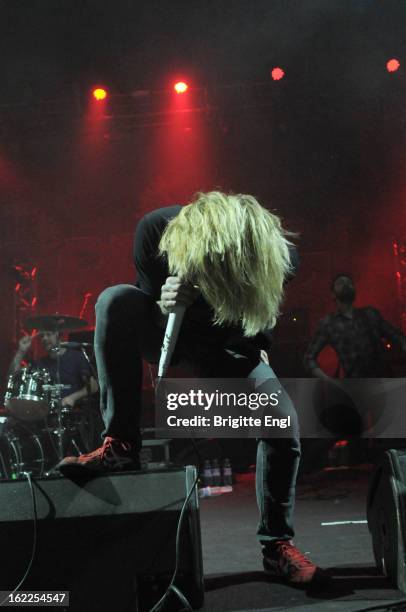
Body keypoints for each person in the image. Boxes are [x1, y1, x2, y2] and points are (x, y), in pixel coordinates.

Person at [58, 191, 325, 584]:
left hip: (227, 341)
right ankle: (121, 443)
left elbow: (264, 307)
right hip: (169, 333)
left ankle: (276, 545)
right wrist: (163, 304)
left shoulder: (276, 252)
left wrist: (259, 348)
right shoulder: (156, 231)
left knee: (282, 423)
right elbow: (144, 313)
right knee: (114, 300)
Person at [304, 273, 406, 379]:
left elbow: (398, 337)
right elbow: (309, 358)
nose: (346, 284)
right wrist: (328, 381)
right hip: (357, 387)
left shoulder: (370, 314)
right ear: (333, 294)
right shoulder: (328, 323)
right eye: (341, 283)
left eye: (349, 283)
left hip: (383, 381)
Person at [9, 330, 98, 408]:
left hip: (73, 415)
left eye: (48, 334)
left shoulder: (77, 357)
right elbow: (13, 376)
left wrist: (72, 398)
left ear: (58, 335)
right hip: (46, 416)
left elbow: (93, 386)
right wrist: (21, 351)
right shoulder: (40, 363)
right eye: (42, 336)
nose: (44, 338)